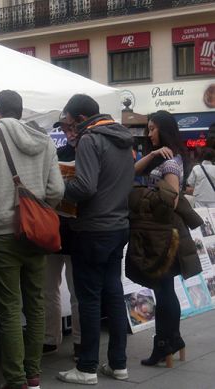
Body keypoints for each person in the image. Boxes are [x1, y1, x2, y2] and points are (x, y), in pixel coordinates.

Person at [0, 90, 64, 389]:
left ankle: (16, 379)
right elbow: (57, 190)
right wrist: (39, 210)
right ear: (20, 112)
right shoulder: (45, 141)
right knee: (35, 303)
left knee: (10, 306)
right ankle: (33, 375)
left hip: (1, 232)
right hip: (36, 234)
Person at [57, 94, 134, 385]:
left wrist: (61, 185)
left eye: (70, 124)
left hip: (92, 229)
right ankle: (118, 364)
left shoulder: (91, 139)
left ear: (80, 119)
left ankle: (87, 367)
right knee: (113, 294)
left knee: (89, 299)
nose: (70, 130)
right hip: (118, 226)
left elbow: (85, 187)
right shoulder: (124, 138)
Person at [128, 110, 202, 369]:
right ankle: (174, 341)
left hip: (162, 233)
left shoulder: (170, 162)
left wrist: (145, 197)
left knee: (164, 289)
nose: (149, 134)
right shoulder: (164, 157)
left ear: (164, 129)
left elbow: (169, 200)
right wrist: (151, 154)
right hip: (160, 232)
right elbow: (130, 172)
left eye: (152, 129)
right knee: (165, 289)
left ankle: (164, 345)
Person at [44, 115, 81, 360]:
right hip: (54, 227)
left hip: (79, 230)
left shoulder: (90, 150)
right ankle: (50, 337)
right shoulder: (58, 153)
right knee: (48, 288)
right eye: (64, 129)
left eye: (70, 127)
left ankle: (79, 339)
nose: (67, 132)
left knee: (77, 290)